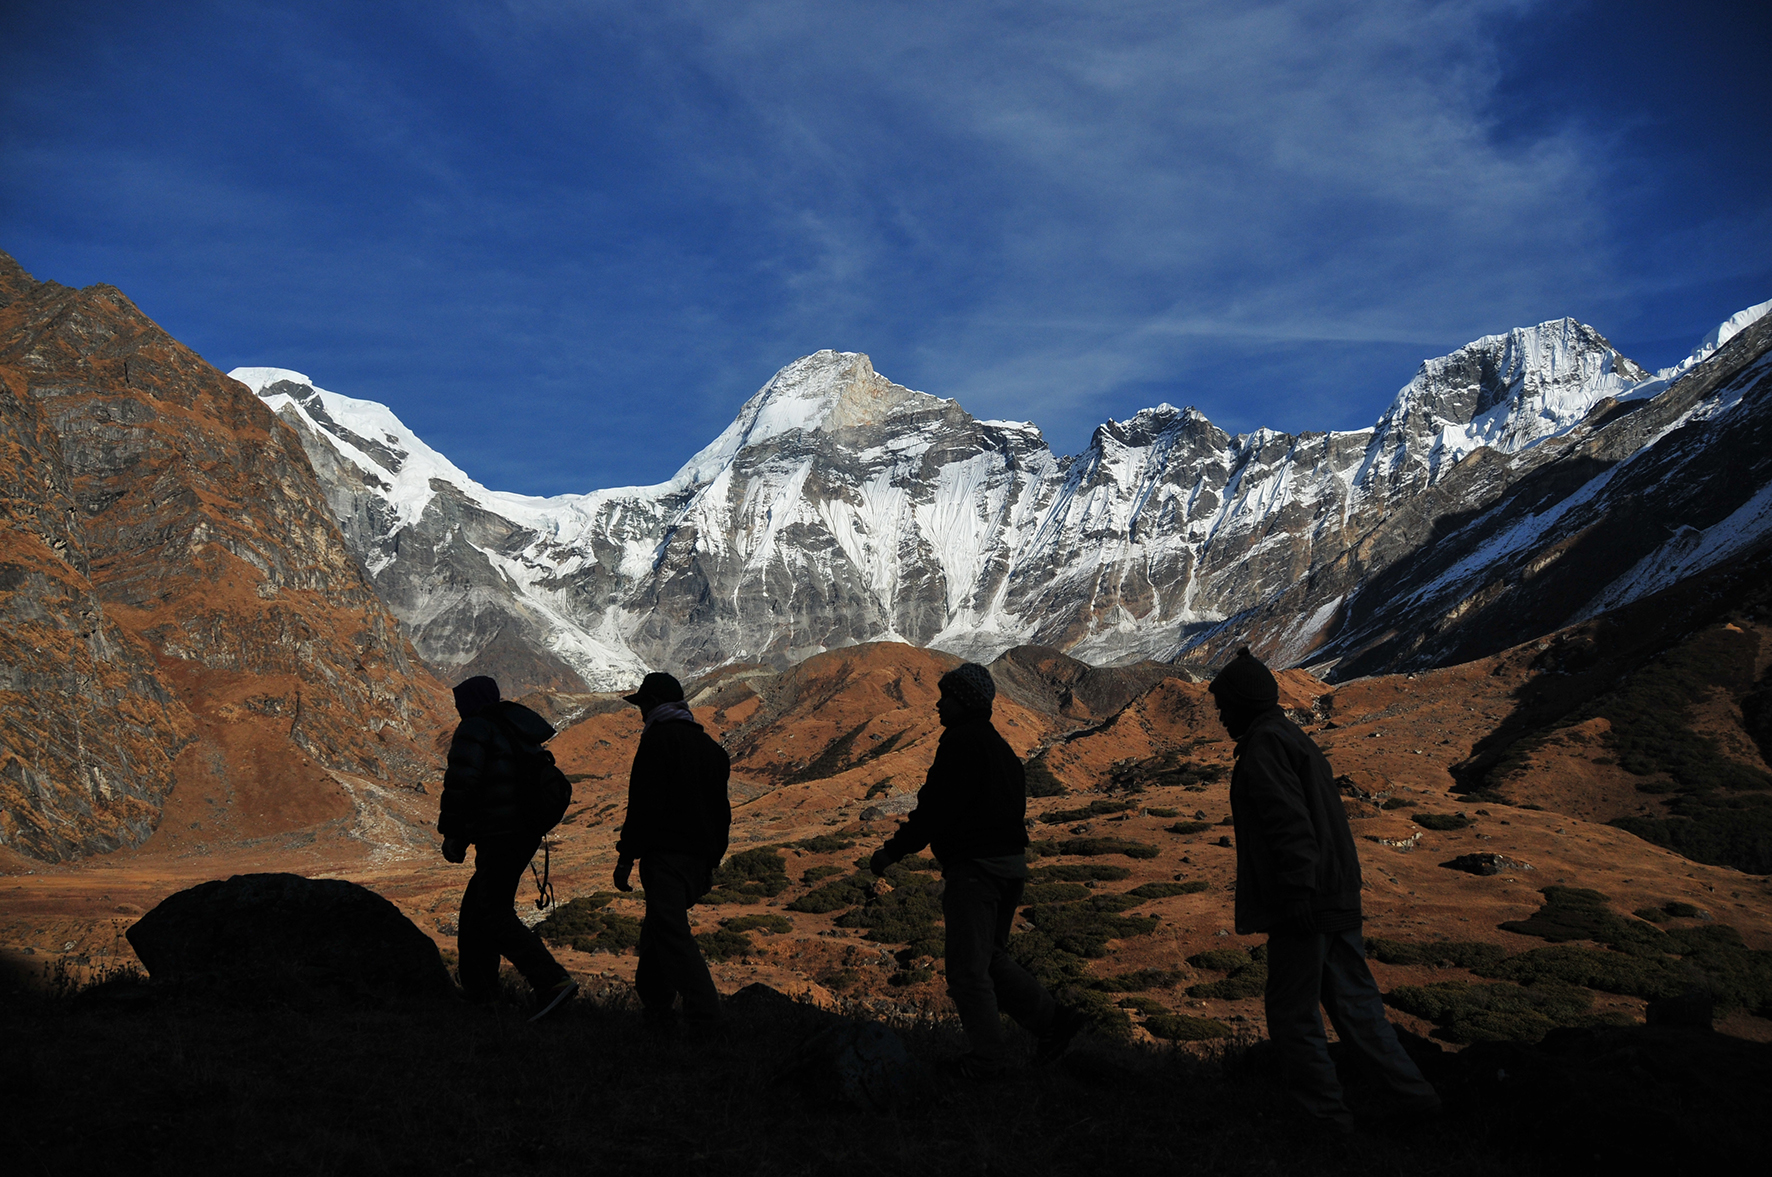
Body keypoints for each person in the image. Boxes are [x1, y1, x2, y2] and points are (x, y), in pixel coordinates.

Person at [1209, 647, 1440, 1130]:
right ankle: (1414, 1102)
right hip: (1335, 893)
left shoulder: (1265, 745)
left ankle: (1323, 1118)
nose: (1219, 714)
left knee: (1293, 1013)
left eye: (1224, 704)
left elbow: (1289, 826)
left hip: (1307, 901)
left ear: (1243, 703)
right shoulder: (1290, 737)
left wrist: (1295, 894)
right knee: (1356, 1006)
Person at [868, 662, 1088, 1080]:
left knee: (968, 970)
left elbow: (934, 809)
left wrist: (891, 853)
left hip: (975, 870)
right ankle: (1054, 1022)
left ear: (963, 702)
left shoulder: (960, 743)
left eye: (945, 696)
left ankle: (987, 1062)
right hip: (1010, 868)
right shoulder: (1001, 749)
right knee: (990, 960)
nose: (937, 704)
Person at [438, 674, 578, 1022]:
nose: (457, 709)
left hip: (499, 835)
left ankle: (551, 981)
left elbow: (462, 783)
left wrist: (454, 834)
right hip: (522, 834)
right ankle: (481, 993)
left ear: (471, 702)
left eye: (460, 702)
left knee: (492, 911)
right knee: (476, 911)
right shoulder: (515, 729)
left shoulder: (475, 728)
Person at [613, 671, 732, 1034]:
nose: (640, 714)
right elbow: (721, 815)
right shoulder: (712, 750)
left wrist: (625, 858)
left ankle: (706, 1021)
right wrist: (711, 863)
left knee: (672, 937)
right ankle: (657, 1012)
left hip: (665, 857)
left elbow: (643, 808)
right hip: (698, 861)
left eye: (643, 706)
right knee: (657, 932)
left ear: (652, 705)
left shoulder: (657, 741)